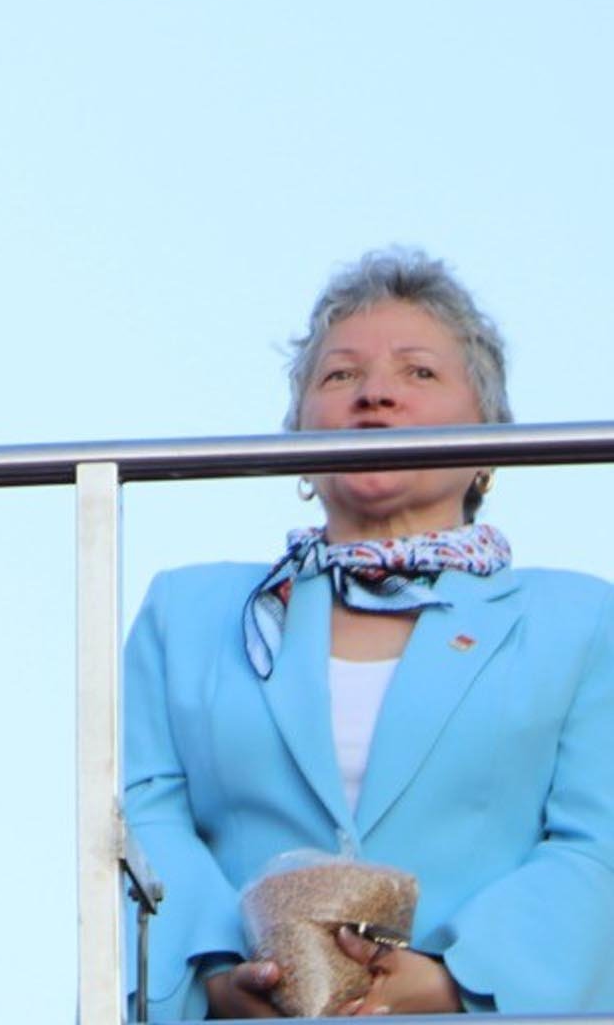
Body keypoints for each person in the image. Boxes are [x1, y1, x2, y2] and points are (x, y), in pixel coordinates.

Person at [123, 247, 614, 1017]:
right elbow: (140, 820)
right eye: (340, 375)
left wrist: (444, 982)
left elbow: (597, 846)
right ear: (297, 438)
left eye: (419, 372)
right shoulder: (186, 615)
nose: (375, 393)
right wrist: (216, 977)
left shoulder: (581, 622)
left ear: (489, 441)